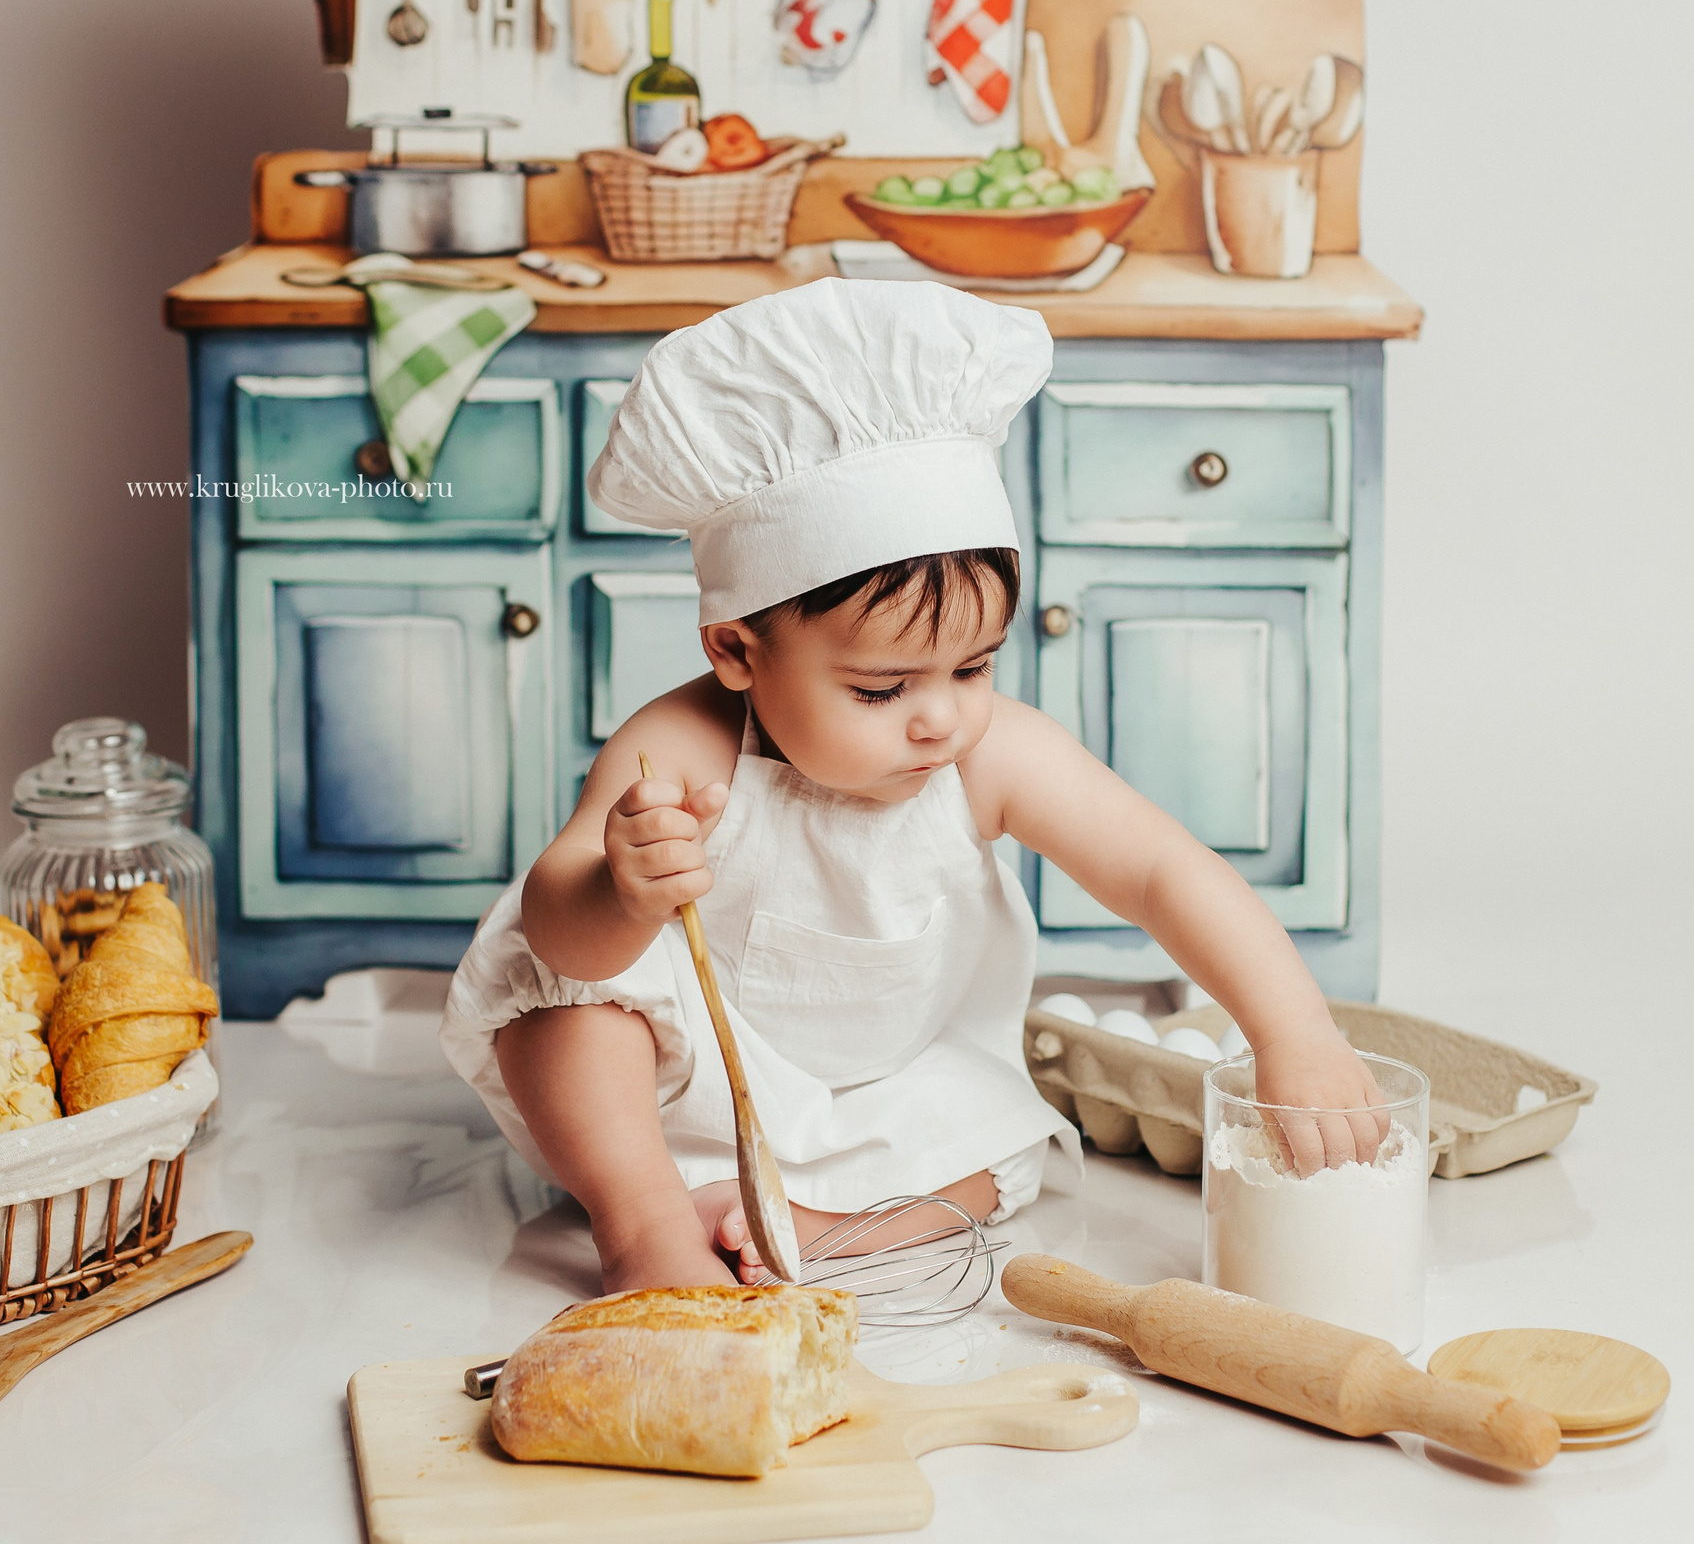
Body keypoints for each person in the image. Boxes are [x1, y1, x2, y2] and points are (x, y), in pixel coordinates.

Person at [442, 278, 1383, 1293]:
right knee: (568, 1008)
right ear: (736, 650)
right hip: (677, 1096)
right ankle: (645, 1225)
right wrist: (617, 893)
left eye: (973, 666)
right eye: (881, 686)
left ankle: (822, 1229)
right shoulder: (682, 745)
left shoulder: (992, 755)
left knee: (1001, 1146)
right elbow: (560, 941)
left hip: (887, 1086)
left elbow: (1161, 869)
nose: (939, 716)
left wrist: (1296, 1032)